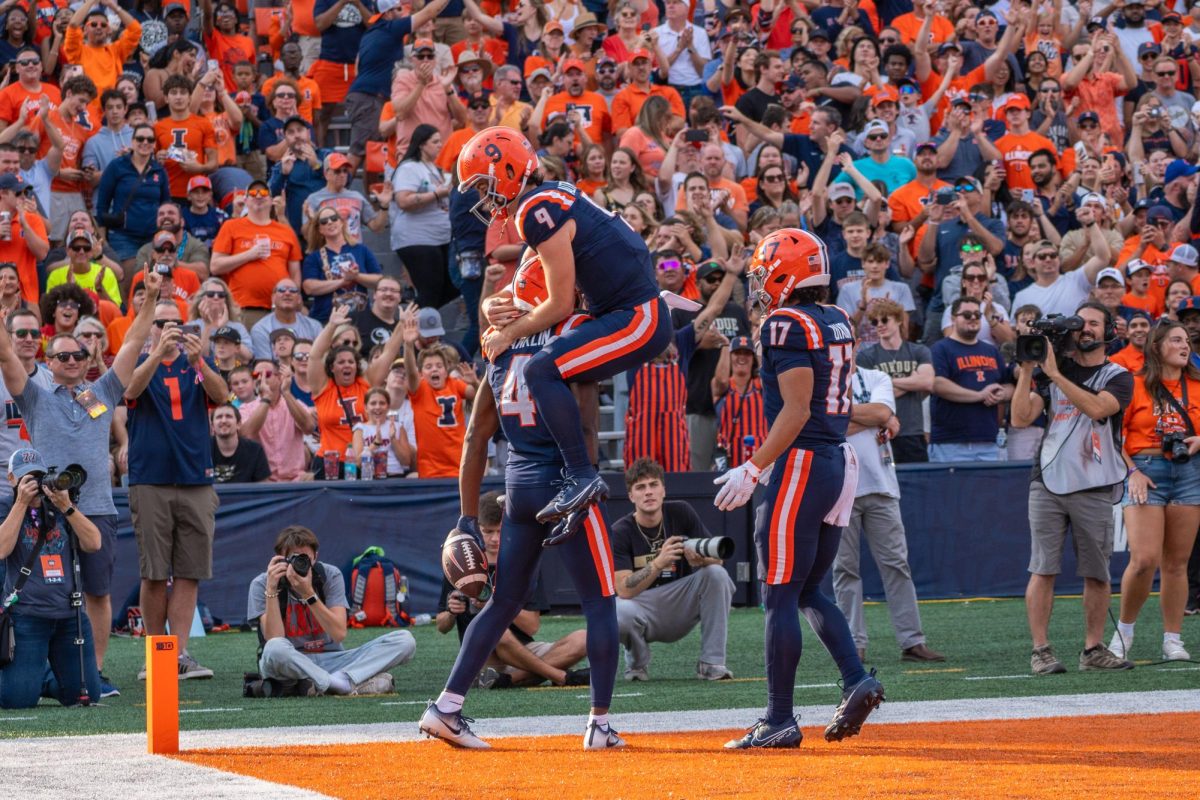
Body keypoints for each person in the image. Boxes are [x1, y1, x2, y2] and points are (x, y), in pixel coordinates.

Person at [419, 255, 622, 751]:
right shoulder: (574, 333)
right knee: (601, 604)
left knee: (502, 602)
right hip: (564, 483)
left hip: (519, 486)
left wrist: (466, 517)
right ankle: (598, 723)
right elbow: (589, 424)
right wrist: (585, 478)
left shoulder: (501, 344)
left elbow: (474, 439)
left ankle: (446, 706)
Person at [714, 228, 883, 750]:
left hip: (802, 464)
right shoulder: (835, 318)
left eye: (767, 272)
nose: (761, 283)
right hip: (835, 461)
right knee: (808, 589)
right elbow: (824, 405)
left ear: (788, 271)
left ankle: (779, 718)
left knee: (780, 595)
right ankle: (857, 679)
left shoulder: (784, 323)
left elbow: (797, 408)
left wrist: (754, 467)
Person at [465, 127, 671, 540]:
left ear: (507, 171)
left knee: (542, 370)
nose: (484, 198)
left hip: (635, 316)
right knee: (553, 369)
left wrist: (507, 334)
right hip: (621, 311)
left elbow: (559, 304)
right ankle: (579, 479)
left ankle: (580, 476)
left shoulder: (535, 209)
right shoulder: (548, 196)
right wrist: (490, 305)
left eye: (485, 185)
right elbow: (525, 278)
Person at [0, 270, 160, 698]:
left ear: (89, 360)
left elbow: (131, 344)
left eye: (78, 356)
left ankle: (97, 673)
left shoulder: (103, 391)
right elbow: (6, 358)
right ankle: (38, 666)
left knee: (97, 593)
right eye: (62, 356)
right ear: (49, 362)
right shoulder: (32, 395)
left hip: (96, 509)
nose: (71, 361)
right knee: (35, 591)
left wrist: (149, 304)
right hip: (42, 509)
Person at [1012, 302, 1136, 674]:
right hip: (1047, 479)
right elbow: (1020, 418)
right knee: (1043, 567)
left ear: (1109, 332)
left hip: (1096, 483)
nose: (1085, 329)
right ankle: (1041, 651)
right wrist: (1027, 369)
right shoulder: (1051, 373)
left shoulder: (1119, 376)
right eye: (1081, 323)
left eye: (1094, 323)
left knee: (1097, 572)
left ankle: (1093, 649)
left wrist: (1054, 373)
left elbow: (1098, 409)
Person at [124, 292, 229, 680]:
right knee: (153, 571)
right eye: (162, 323)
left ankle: (179, 654)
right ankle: (156, 654)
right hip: (150, 478)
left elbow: (222, 397)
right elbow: (130, 391)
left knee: (189, 571)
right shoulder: (138, 361)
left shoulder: (197, 365)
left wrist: (199, 358)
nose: (171, 330)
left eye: (177, 324)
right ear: (149, 326)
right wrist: (155, 352)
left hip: (196, 478)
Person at [834, 363, 944, 663]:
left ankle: (912, 641)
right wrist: (873, 417)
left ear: (855, 344)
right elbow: (827, 425)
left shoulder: (875, 376)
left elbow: (879, 414)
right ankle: (852, 644)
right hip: (839, 489)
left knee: (897, 565)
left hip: (880, 486)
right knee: (845, 570)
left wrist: (848, 417)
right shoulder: (821, 379)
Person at [435, 491, 590, 689]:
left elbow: (531, 627)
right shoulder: (463, 565)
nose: (494, 539)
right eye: (487, 531)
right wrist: (450, 612)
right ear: (476, 529)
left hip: (524, 651)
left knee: (584, 638)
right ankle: (560, 676)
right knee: (495, 629)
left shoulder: (523, 562)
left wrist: (494, 602)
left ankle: (507, 681)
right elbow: (442, 626)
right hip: (483, 656)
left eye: (500, 531)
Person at [1111, 320, 1200, 662]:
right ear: (1157, 346)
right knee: (1145, 559)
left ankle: (1172, 639)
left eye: (1187, 341)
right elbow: (1113, 438)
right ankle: (1124, 631)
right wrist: (1130, 471)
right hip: (1144, 470)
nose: (1184, 345)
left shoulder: (1196, 382)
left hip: (1189, 471)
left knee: (1177, 563)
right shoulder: (1133, 384)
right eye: (1176, 340)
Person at [249, 525, 414, 695]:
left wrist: (309, 594)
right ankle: (342, 683)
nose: (299, 564)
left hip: (333, 660)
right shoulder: (262, 583)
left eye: (304, 558)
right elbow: (274, 637)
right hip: (289, 662)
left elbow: (338, 633)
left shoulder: (329, 575)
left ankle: (328, 682)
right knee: (275, 648)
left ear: (315, 557)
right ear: (280, 559)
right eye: (293, 558)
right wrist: (271, 590)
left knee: (405, 640)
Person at [611, 458, 734, 682]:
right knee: (618, 611)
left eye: (653, 485)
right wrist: (658, 562)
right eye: (640, 487)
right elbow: (623, 589)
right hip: (642, 606)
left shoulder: (681, 512)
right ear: (631, 496)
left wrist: (701, 559)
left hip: (680, 601)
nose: (648, 492)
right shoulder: (621, 530)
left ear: (663, 490)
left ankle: (712, 663)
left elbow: (719, 561)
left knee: (717, 575)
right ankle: (637, 666)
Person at [0, 448, 103, 709]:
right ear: (12, 479)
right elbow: (2, 550)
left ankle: (40, 679)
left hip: (69, 617)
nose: (34, 485)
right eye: (27, 479)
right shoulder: (6, 507)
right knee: (17, 701)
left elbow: (93, 543)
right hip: (26, 617)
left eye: (38, 477)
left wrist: (66, 506)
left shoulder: (61, 506)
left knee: (86, 696)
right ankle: (30, 679)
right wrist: (21, 503)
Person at [342, 0, 450, 171]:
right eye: (399, 9)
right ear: (388, 13)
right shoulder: (391, 28)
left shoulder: (371, 32)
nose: (403, 13)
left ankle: (368, 196)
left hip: (366, 95)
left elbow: (357, 66)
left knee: (371, 153)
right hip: (369, 98)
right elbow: (429, 12)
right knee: (358, 152)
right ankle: (336, 193)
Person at [209, 179, 302, 326]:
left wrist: (295, 300)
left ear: (271, 200)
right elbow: (215, 266)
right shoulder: (231, 226)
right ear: (245, 200)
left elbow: (295, 273)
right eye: (253, 193)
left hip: (280, 310)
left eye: (264, 192)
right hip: (244, 308)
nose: (258, 196)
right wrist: (249, 255)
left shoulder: (286, 231)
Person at [930, 297, 1012, 462]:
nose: (973, 318)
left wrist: (1001, 394)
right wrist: (980, 396)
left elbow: (1010, 385)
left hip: (989, 441)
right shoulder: (940, 348)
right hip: (951, 443)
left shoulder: (991, 351)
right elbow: (938, 384)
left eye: (977, 314)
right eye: (967, 314)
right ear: (953, 319)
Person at [401, 311, 477, 479]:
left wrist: (474, 382)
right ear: (422, 373)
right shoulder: (419, 389)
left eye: (438, 366)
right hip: (430, 470)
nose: (434, 369)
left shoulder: (455, 385)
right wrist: (408, 345)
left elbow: (478, 397)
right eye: (428, 367)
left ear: (446, 370)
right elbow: (411, 372)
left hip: (459, 466)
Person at [856, 299, 933, 463]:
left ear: (899, 320)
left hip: (912, 432)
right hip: (881, 432)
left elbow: (927, 382)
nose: (879, 325)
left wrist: (884, 383)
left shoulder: (918, 351)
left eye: (884, 319)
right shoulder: (866, 356)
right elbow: (871, 398)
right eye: (874, 321)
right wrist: (912, 382)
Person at [94, 122, 171, 265]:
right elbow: (102, 206)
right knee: (127, 280)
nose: (145, 142)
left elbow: (166, 206)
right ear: (133, 142)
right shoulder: (117, 166)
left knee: (152, 281)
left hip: (152, 237)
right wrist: (103, 240)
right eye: (140, 139)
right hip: (123, 237)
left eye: (150, 140)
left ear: (155, 144)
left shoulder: (159, 170)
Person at [239, 358, 315, 482]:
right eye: (256, 375)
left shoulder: (293, 403)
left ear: (279, 378)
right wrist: (266, 400)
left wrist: (286, 393)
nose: (261, 378)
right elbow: (247, 435)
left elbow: (309, 428)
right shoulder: (246, 408)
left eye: (267, 374)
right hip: (263, 481)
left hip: (296, 479)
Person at [249, 278, 323, 359]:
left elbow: (319, 360)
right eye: (281, 290)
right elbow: (265, 365)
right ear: (273, 298)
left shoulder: (314, 327)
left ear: (299, 299)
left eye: (293, 290)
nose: (287, 293)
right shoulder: (261, 329)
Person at [210, 403, 270, 483]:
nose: (223, 421)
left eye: (228, 416)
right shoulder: (203, 449)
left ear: (238, 424)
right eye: (219, 417)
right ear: (213, 426)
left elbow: (264, 487)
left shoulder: (255, 450)